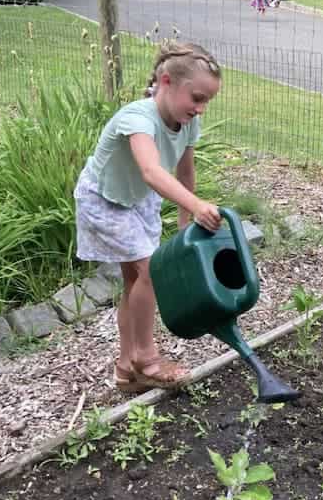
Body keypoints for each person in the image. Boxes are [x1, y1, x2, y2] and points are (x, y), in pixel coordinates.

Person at [74, 42, 223, 393]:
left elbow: (185, 173)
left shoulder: (186, 122)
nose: (201, 109)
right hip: (104, 201)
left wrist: (187, 220)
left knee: (135, 281)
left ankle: (126, 369)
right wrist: (200, 205)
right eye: (197, 98)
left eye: (207, 102)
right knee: (151, 270)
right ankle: (146, 357)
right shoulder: (138, 117)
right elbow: (151, 171)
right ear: (167, 82)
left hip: (138, 202)